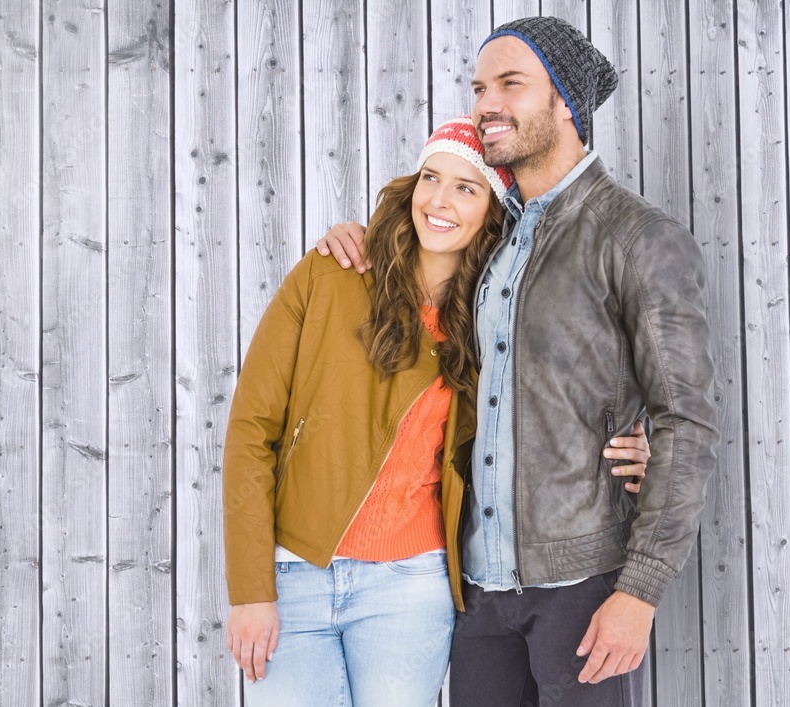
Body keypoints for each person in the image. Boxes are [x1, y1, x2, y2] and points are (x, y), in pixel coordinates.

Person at [317, 16, 719, 707]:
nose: (485, 104)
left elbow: (686, 418)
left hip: (583, 586)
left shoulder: (636, 237)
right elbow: (410, 296)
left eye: (510, 83)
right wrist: (355, 237)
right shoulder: (489, 239)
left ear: (566, 101)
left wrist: (640, 591)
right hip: (478, 593)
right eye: (478, 87)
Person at [223, 116, 651, 707]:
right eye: (431, 177)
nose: (440, 201)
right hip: (293, 575)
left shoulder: (490, 327)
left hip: (411, 588)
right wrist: (250, 589)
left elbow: (555, 405)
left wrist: (633, 444)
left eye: (466, 187)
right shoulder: (331, 272)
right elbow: (250, 431)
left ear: (492, 213)